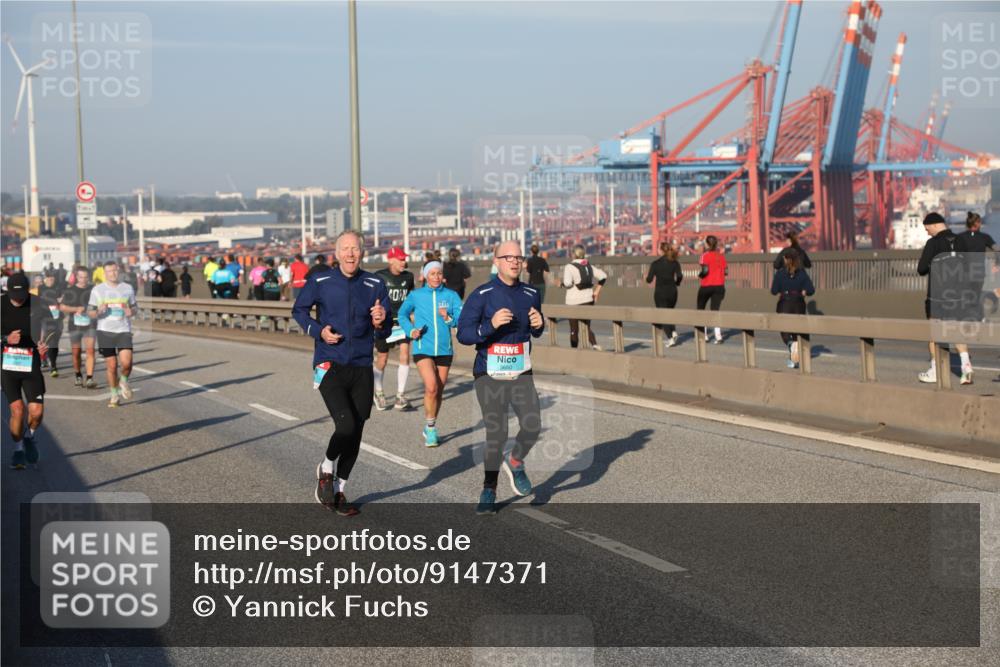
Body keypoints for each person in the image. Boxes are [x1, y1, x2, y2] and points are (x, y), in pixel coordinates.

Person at [292, 230, 391, 516]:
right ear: (336, 254)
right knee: (345, 425)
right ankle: (325, 467)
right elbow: (299, 311)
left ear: (363, 253)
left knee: (357, 430)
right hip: (329, 363)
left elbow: (384, 327)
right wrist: (318, 330)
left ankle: (339, 490)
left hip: (361, 364)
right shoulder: (321, 281)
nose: (350, 254)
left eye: (355, 249)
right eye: (345, 249)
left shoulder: (374, 283)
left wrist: (381, 321)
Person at [457, 241, 545, 515]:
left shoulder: (531, 292)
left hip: (520, 370)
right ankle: (489, 488)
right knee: (498, 432)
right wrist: (490, 325)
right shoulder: (482, 294)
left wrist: (539, 324)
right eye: (508, 257)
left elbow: (535, 329)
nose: (515, 261)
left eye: (518, 257)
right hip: (489, 372)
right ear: (496, 261)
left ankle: (516, 461)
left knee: (532, 426)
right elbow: (464, 334)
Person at [397, 260, 463, 447]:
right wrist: (411, 330)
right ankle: (431, 428)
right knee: (431, 387)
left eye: (439, 273)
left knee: (439, 391)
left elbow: (460, 320)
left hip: (444, 349)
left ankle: (430, 424)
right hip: (422, 347)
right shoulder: (416, 295)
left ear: (443, 276)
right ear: (425, 275)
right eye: (432, 273)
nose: (436, 277)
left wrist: (448, 318)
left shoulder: (451, 296)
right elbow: (402, 315)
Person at [917, 212, 975, 385]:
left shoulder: (933, 243)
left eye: (927, 229)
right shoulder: (962, 241)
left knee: (934, 333)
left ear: (934, 225)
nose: (927, 233)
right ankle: (966, 367)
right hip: (958, 295)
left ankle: (935, 371)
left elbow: (921, 269)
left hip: (937, 296)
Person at [2, 273, 49, 469]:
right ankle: (18, 449)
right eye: (14, 296)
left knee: (36, 412)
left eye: (21, 297)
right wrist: (5, 339)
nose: (18, 300)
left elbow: (48, 326)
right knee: (17, 410)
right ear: (8, 290)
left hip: (31, 362)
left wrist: (44, 344)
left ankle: (29, 436)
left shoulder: (38, 303)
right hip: (7, 364)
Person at [88, 261, 138, 407]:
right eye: (109, 271)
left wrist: (132, 311)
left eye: (115, 271)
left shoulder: (127, 288)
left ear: (119, 271)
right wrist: (98, 311)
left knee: (127, 363)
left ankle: (123, 380)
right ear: (105, 273)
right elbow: (90, 313)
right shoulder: (97, 290)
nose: (113, 273)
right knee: (111, 366)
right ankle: (114, 394)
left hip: (123, 330)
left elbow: (135, 307)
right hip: (105, 331)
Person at [374, 247, 416, 411]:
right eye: (400, 259)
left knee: (405, 354)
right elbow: (373, 298)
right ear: (390, 260)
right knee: (382, 358)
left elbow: (411, 297)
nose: (403, 262)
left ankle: (400, 395)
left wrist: (412, 312)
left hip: (402, 322)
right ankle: (379, 392)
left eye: (404, 258)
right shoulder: (380, 276)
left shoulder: (409, 276)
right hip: (385, 322)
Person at [771, 249, 815, 368]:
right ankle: (794, 357)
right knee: (796, 331)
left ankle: (790, 345)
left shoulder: (780, 273)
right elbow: (811, 290)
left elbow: (773, 291)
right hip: (798, 303)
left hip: (784, 303)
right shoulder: (802, 273)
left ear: (785, 259)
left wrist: (781, 287)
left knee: (784, 329)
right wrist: (804, 291)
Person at [562, 245, 607, 350]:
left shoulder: (569, 267)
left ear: (574, 254)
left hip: (573, 302)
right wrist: (597, 291)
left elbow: (568, 283)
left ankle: (574, 351)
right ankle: (595, 345)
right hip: (588, 299)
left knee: (574, 329)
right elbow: (603, 276)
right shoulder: (588, 265)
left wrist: (562, 284)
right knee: (586, 327)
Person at [61, 266, 98, 388]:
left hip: (90, 324)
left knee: (90, 350)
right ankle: (78, 374)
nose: (84, 280)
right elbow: (62, 307)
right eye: (81, 277)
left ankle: (89, 378)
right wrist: (76, 309)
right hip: (75, 325)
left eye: (86, 277)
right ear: (77, 277)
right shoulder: (70, 290)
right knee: (76, 352)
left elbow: (99, 304)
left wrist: (91, 310)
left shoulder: (94, 289)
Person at [645, 242, 684, 347]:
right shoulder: (675, 262)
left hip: (660, 293)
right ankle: (674, 331)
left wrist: (646, 277)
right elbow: (680, 276)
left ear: (661, 250)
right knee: (670, 313)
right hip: (673, 292)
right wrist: (677, 283)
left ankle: (671, 338)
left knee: (663, 316)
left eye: (658, 248)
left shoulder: (655, 264)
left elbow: (649, 280)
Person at [696, 235, 728, 344]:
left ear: (707, 244)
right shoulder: (721, 256)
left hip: (706, 286)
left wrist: (699, 275)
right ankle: (718, 336)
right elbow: (726, 272)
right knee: (715, 310)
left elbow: (705, 270)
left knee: (701, 309)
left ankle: (704, 335)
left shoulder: (705, 256)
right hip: (719, 286)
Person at [33, 271, 65, 377]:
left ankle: (53, 363)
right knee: (46, 340)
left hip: (57, 318)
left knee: (54, 343)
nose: (51, 280)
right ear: (45, 279)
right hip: (45, 319)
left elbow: (63, 300)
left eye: (52, 278)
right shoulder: (41, 288)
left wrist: (61, 301)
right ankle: (49, 363)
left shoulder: (59, 287)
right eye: (49, 278)